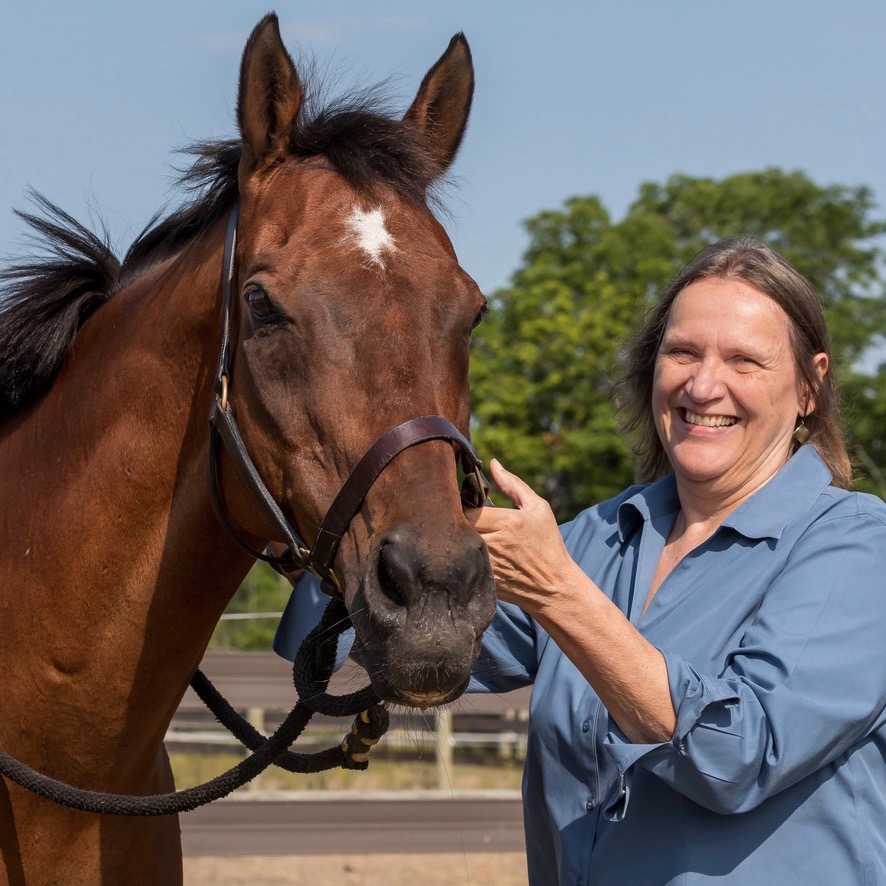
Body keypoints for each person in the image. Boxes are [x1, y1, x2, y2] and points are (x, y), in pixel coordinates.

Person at [274, 238, 886, 885]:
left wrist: (560, 592)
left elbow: (739, 758)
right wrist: (323, 536)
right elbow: (408, 637)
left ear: (810, 386)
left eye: (745, 360)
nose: (704, 385)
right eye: (682, 353)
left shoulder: (855, 546)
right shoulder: (599, 536)